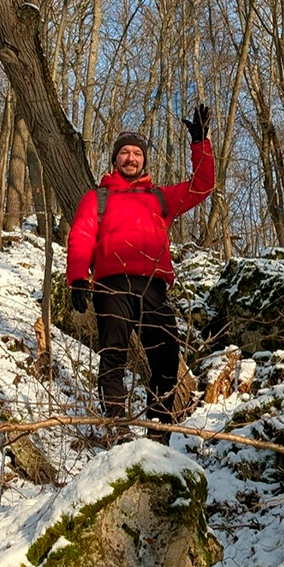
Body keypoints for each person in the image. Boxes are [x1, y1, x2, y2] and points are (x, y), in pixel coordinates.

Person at [66, 104, 214, 443]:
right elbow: (82, 235)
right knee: (113, 356)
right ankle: (117, 428)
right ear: (115, 160)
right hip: (112, 284)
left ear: (144, 160)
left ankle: (158, 434)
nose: (131, 158)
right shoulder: (97, 197)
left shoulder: (161, 197)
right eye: (124, 153)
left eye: (136, 153)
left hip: (153, 288)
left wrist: (200, 143)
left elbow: (202, 186)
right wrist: (77, 278)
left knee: (166, 357)